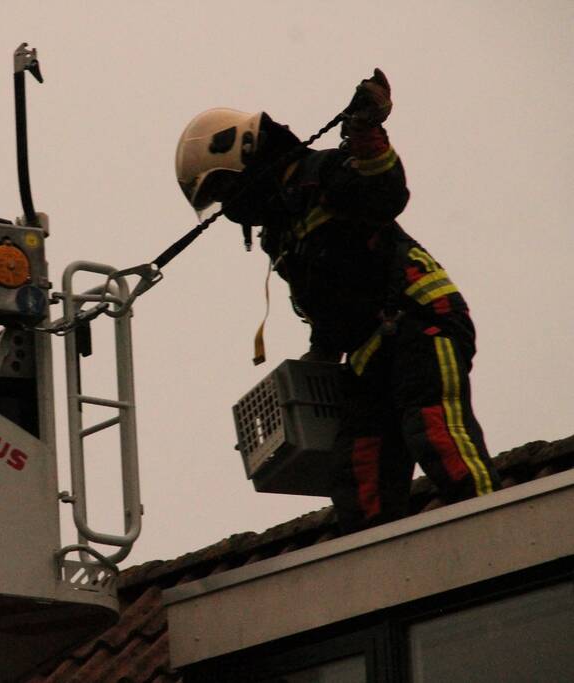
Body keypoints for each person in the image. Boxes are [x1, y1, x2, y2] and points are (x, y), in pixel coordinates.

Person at [175, 69, 500, 532]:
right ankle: (385, 579)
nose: (228, 206)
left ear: (245, 155)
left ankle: (499, 531)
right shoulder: (281, 230)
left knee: (434, 432)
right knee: (359, 477)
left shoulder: (320, 172)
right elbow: (326, 296)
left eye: (224, 189)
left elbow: (385, 191)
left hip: (419, 320)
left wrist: (365, 130)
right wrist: (321, 353)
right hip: (368, 352)